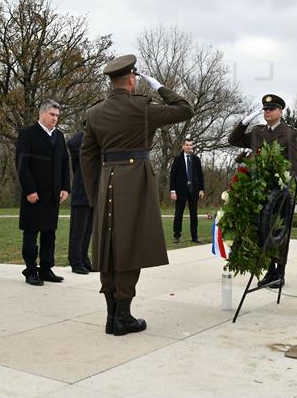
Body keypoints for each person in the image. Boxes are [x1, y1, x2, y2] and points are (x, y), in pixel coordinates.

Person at [80, 55, 194, 336]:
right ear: (131, 80)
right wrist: (159, 87)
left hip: (106, 181)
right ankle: (123, 317)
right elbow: (184, 109)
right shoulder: (142, 108)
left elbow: (87, 155)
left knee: (108, 250)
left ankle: (111, 316)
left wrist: (94, 191)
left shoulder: (95, 113)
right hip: (135, 181)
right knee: (130, 249)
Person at [229, 94, 297, 288]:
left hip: (279, 191)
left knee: (278, 230)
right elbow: (233, 140)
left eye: (271, 109)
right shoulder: (257, 132)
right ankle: (269, 269)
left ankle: (279, 271)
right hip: (259, 189)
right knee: (262, 229)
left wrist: (289, 188)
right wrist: (244, 122)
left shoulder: (289, 133)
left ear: (280, 111)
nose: (267, 112)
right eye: (265, 109)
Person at [15, 100, 70, 286]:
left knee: (49, 233)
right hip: (34, 194)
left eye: (57, 115)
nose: (55, 118)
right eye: (52, 114)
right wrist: (29, 189)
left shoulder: (59, 136)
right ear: (42, 114)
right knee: (31, 233)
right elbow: (22, 166)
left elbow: (64, 163)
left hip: (53, 194)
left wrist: (65, 187)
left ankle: (46, 269)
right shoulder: (27, 135)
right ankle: (30, 271)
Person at [68, 122, 94, 275]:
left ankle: (84, 259)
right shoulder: (80, 139)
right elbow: (71, 143)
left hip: (93, 193)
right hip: (80, 191)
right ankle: (75, 262)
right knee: (77, 231)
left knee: (88, 230)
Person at [169, 138, 205, 244]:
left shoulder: (196, 159)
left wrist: (202, 189)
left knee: (194, 215)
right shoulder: (177, 159)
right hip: (180, 191)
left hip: (194, 191)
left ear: (192, 147)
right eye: (187, 145)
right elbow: (172, 176)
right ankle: (177, 236)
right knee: (178, 213)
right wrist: (172, 191)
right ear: (183, 146)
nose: (189, 146)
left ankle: (194, 237)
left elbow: (200, 176)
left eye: (190, 145)